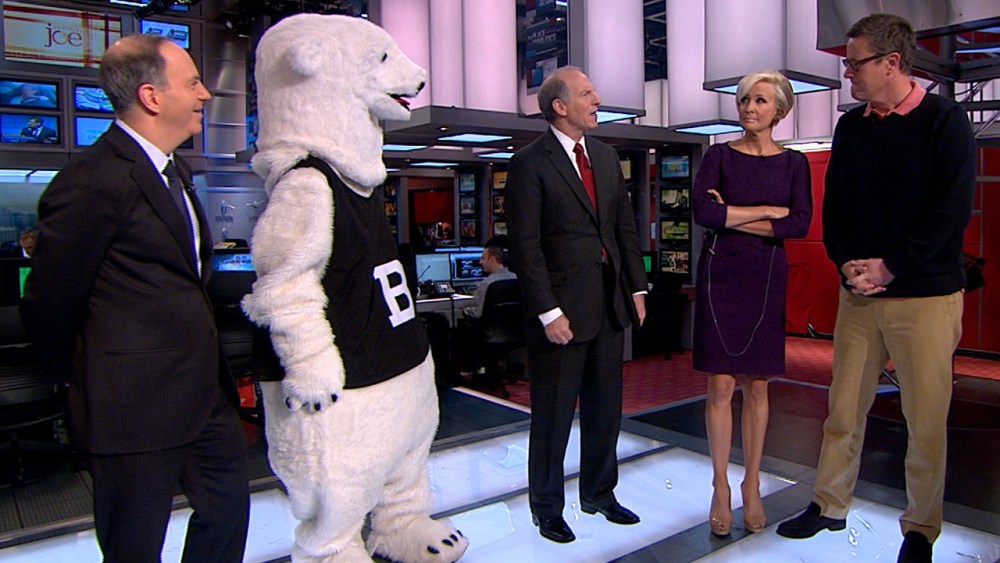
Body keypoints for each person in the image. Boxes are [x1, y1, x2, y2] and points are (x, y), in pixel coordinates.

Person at [22, 34, 250, 562]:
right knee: (135, 546)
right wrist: (83, 383)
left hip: (203, 395)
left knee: (226, 514)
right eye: (193, 82)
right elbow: (50, 302)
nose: (205, 94)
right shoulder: (91, 180)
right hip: (131, 407)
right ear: (151, 96)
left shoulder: (176, 170)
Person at [776, 13, 976, 563]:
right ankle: (829, 504)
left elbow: (950, 212)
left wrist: (891, 267)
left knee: (925, 421)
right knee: (842, 410)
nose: (848, 73)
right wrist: (846, 263)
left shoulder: (944, 120)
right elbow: (837, 206)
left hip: (925, 298)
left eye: (854, 63)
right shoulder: (852, 127)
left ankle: (921, 529)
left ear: (891, 62)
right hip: (859, 297)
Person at [506, 66, 647, 544]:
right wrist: (548, 311)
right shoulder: (529, 163)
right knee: (553, 416)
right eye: (587, 93)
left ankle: (599, 494)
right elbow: (525, 248)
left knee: (606, 410)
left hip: (608, 305)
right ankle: (547, 508)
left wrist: (637, 288)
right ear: (559, 106)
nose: (597, 99)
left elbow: (623, 228)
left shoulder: (604, 157)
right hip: (560, 314)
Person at [691, 70, 812, 537]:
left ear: (779, 110)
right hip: (720, 273)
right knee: (721, 385)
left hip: (765, 274)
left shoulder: (794, 164)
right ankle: (720, 486)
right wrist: (765, 212)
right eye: (744, 99)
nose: (748, 107)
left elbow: (798, 223)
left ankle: (752, 484)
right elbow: (704, 213)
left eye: (760, 100)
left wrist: (732, 216)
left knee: (758, 385)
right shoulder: (718, 156)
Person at [461, 245, 517, 319]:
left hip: (491, 325)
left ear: (492, 259)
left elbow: (478, 313)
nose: (480, 262)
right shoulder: (516, 278)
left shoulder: (487, 283)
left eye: (483, 258)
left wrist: (464, 310)